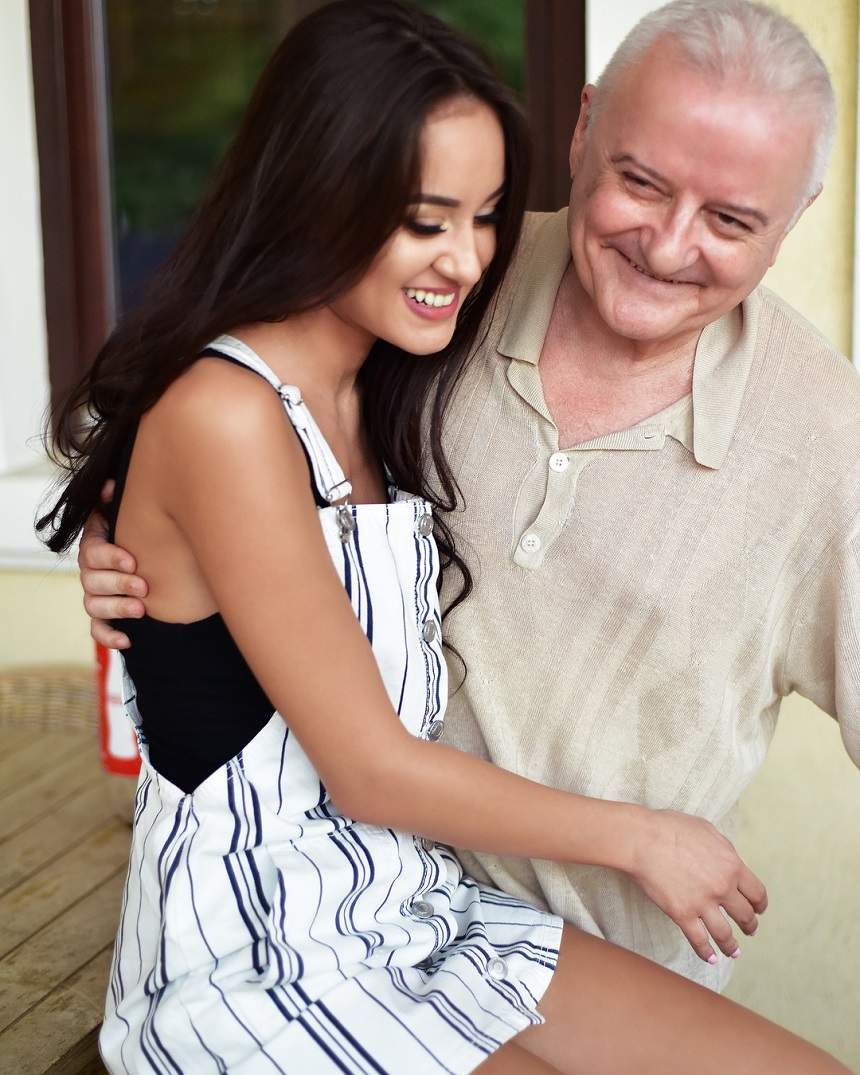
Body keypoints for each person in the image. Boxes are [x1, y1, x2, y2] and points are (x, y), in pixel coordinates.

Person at [61, 2, 850, 1073]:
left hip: (415, 904)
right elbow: (366, 765)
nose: (468, 260)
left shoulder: (388, 364)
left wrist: (158, 539)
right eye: (425, 219)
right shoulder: (284, 392)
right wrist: (643, 835)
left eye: (482, 217)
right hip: (267, 953)